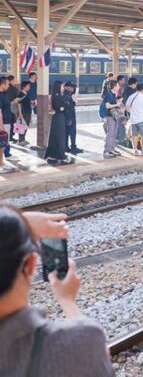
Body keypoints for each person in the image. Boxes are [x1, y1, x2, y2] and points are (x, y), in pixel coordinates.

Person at [0, 205, 114, 376]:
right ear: (31, 264)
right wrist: (67, 300)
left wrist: (18, 224)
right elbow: (98, 357)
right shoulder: (79, 340)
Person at [44, 81, 69, 165]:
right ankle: (60, 155)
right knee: (60, 137)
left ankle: (53, 155)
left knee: (54, 137)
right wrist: (65, 105)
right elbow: (61, 108)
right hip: (60, 118)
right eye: (62, 86)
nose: (63, 88)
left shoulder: (55, 95)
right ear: (58, 87)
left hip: (57, 118)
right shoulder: (57, 96)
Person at [127, 84, 143, 156]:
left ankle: (135, 151)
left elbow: (127, 108)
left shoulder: (131, 97)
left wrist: (133, 112)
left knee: (134, 135)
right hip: (142, 119)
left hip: (133, 120)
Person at [101, 81, 121, 159]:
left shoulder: (113, 94)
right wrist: (116, 104)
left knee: (114, 133)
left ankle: (112, 149)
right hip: (110, 116)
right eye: (118, 85)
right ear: (115, 87)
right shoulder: (109, 95)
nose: (119, 86)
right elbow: (107, 105)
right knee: (110, 133)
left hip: (114, 116)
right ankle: (107, 150)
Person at [62, 82, 82, 155]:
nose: (73, 89)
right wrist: (69, 118)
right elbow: (67, 107)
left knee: (67, 133)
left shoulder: (67, 95)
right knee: (72, 132)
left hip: (68, 116)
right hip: (70, 116)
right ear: (67, 87)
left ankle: (66, 147)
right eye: (72, 87)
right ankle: (73, 147)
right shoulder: (66, 95)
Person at [0, 77, 13, 172]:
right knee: (1, 144)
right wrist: (1, 125)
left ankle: (2, 163)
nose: (8, 86)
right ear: (2, 84)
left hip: (6, 122)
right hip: (3, 123)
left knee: (3, 145)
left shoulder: (4, 94)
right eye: (7, 84)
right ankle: (1, 164)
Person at [15, 81, 32, 147]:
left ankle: (23, 139)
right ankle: (21, 140)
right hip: (23, 112)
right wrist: (20, 113)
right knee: (21, 126)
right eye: (28, 86)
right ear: (24, 87)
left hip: (28, 111)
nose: (29, 87)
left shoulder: (26, 93)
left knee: (26, 126)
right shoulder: (21, 94)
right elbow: (18, 104)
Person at [6, 75, 18, 144]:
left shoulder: (4, 89)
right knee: (12, 122)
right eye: (13, 80)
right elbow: (17, 99)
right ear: (10, 81)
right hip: (11, 108)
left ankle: (9, 137)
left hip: (6, 108)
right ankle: (10, 136)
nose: (15, 81)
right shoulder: (14, 89)